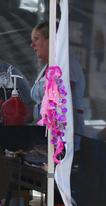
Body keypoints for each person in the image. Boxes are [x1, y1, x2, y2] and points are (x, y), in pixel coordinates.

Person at [30, 21, 85, 149]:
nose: (32, 45)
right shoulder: (47, 68)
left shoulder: (68, 66)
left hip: (63, 142)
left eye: (36, 39)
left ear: (52, 40)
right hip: (46, 138)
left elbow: (60, 101)